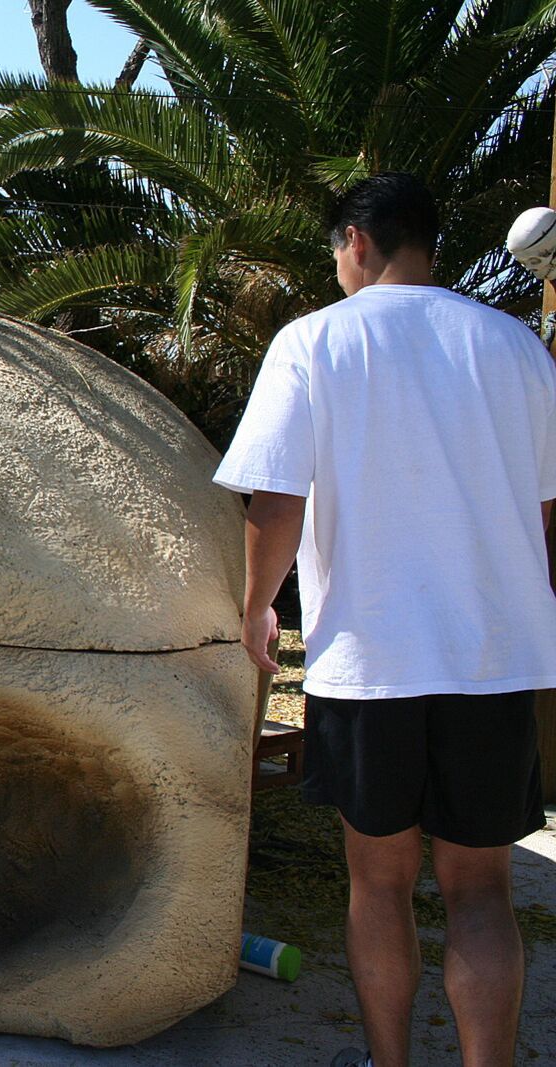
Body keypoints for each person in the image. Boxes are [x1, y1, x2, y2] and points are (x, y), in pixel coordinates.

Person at [215, 172, 556, 1067]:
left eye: (335, 251)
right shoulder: (517, 346)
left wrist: (258, 609)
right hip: (492, 659)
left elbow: (276, 493)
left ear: (356, 241)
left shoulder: (313, 343)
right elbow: (550, 511)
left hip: (369, 661)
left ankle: (388, 1062)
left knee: (379, 884)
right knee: (481, 889)